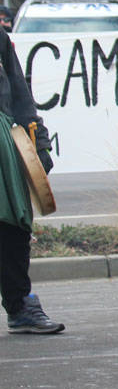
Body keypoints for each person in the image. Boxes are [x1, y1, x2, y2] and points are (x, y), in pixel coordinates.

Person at [1, 24, 62, 335]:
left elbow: (19, 93)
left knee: (13, 225)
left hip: (4, 138)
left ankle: (20, 305)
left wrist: (38, 142)